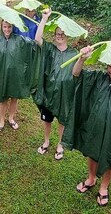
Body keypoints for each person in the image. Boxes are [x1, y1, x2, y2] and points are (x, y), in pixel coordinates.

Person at [62, 46, 111, 207]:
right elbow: (76, 74)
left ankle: (104, 188)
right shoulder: (97, 78)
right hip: (95, 128)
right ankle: (91, 179)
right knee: (92, 152)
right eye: (110, 66)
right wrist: (82, 58)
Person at [33, 9, 78, 160]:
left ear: (67, 36)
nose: (60, 36)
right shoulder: (50, 49)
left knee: (62, 121)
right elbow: (38, 38)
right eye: (57, 34)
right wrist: (44, 19)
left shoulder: (74, 54)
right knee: (47, 119)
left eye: (62, 34)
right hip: (48, 92)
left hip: (64, 94)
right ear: (55, 35)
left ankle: (60, 144)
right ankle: (46, 141)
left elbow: (77, 73)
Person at [0, 20, 36, 134]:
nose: (7, 29)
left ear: (13, 27)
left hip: (16, 75)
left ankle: (11, 118)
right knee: (3, 99)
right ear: (1, 27)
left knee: (14, 97)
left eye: (9, 27)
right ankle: (1, 121)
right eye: (5, 27)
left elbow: (34, 44)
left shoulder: (19, 40)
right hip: (2, 75)